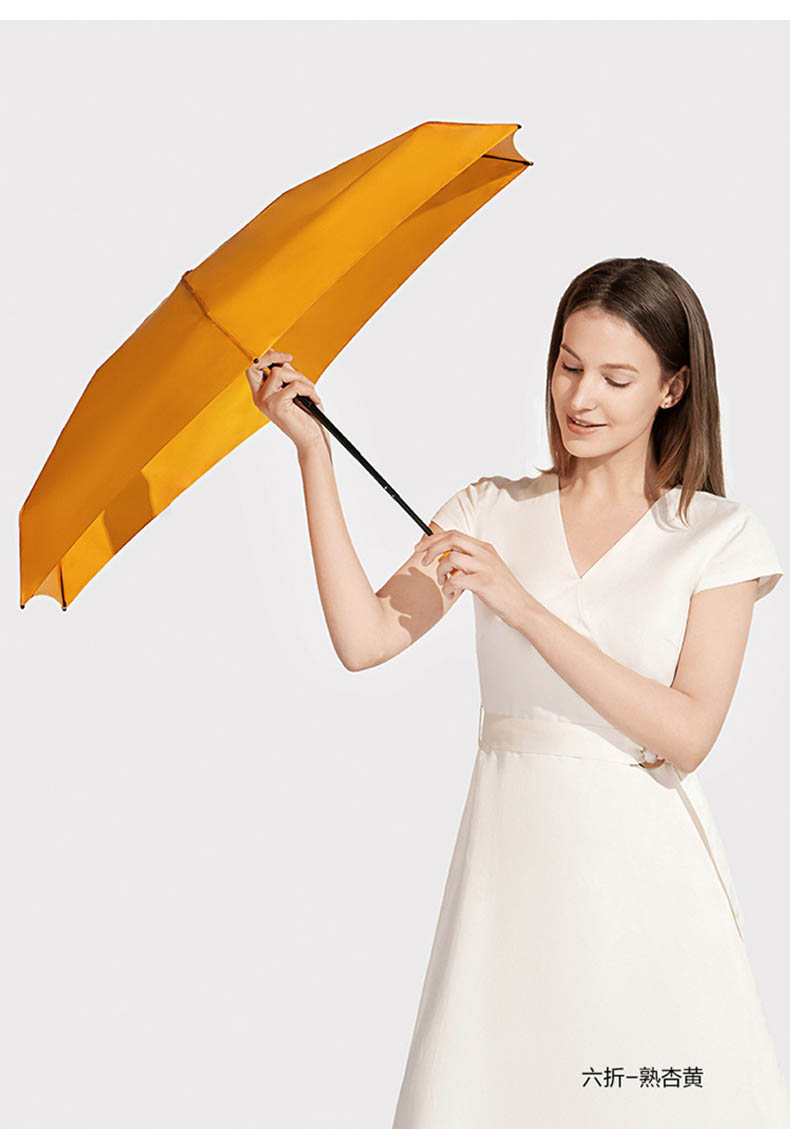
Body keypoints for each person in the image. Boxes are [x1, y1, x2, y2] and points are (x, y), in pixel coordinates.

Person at [245, 256, 790, 1127]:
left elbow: (687, 732)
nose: (581, 396)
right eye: (569, 365)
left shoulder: (715, 534)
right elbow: (365, 637)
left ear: (673, 387)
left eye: (616, 378)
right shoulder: (491, 510)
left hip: (646, 885)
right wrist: (314, 455)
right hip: (509, 872)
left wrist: (521, 603)